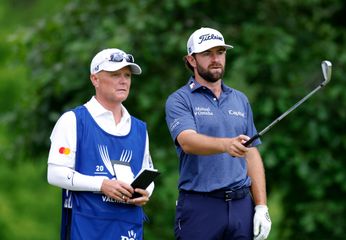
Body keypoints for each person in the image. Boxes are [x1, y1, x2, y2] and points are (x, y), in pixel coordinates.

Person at [165, 27, 272, 240]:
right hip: (200, 207)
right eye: (207, 54)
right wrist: (226, 145)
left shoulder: (240, 99)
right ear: (191, 60)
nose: (216, 59)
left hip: (242, 205)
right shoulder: (179, 99)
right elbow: (187, 141)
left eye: (220, 52)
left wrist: (261, 206)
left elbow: (250, 152)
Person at [47, 48, 155, 240]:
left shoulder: (139, 128)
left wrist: (145, 192)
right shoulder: (73, 120)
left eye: (127, 75)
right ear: (95, 79)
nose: (123, 80)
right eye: (115, 75)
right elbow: (55, 174)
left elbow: (147, 171)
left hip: (128, 226)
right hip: (86, 226)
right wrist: (101, 185)